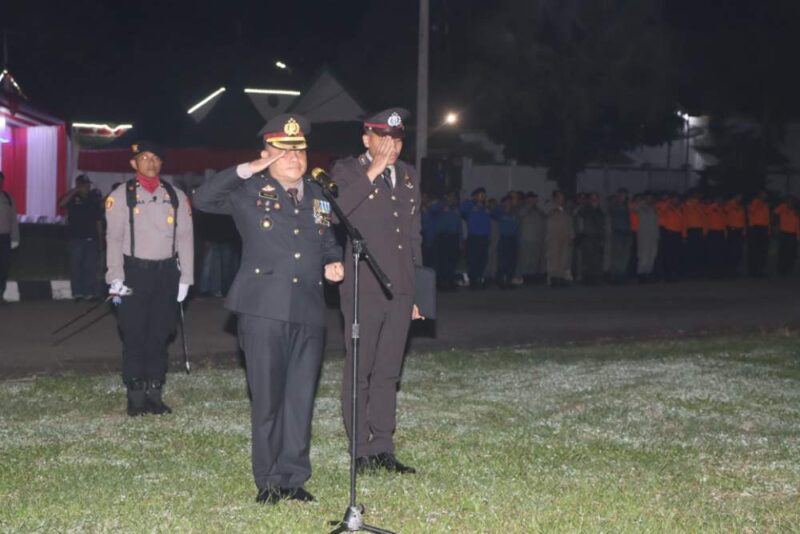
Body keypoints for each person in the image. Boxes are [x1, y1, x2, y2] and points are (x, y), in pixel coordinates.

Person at [193, 114, 344, 504]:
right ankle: (270, 480)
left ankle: (294, 477)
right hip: (262, 309)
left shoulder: (318, 196)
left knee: (300, 399)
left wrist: (333, 261)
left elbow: (327, 240)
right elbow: (203, 198)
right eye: (284, 151)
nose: (295, 158)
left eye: (300, 151)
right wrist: (248, 168)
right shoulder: (248, 191)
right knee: (268, 399)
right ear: (266, 154)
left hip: (309, 308)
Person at [330, 107, 423, 475]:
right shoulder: (347, 171)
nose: (391, 147)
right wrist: (374, 171)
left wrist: (418, 292)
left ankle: (383, 445)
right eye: (384, 139)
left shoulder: (409, 175)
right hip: (363, 285)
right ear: (366, 139)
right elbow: (336, 211)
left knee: (388, 371)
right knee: (360, 370)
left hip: (401, 288)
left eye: (397, 140)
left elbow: (413, 235)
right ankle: (360, 449)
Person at [105, 142, 194, 416]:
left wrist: (186, 277)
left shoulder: (176, 195)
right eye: (144, 158)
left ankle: (155, 394)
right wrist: (115, 276)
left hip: (166, 273)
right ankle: (135, 397)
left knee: (160, 335)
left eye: (155, 157)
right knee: (134, 335)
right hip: (134, 272)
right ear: (134, 163)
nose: (151, 162)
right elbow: (114, 238)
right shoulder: (121, 196)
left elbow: (185, 237)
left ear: (161, 162)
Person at [59, 174, 103, 300]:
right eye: (84, 184)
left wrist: (100, 238)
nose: (87, 187)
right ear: (78, 185)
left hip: (91, 238)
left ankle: (89, 292)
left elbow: (98, 220)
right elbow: (61, 203)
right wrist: (75, 191)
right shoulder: (73, 198)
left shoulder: (93, 199)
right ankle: (77, 292)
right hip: (76, 238)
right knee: (76, 266)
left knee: (90, 266)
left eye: (88, 184)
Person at [460, 187, 491, 289]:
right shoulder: (470, 206)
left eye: (484, 195)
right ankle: (473, 281)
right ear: (475, 196)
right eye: (480, 195)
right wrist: (472, 201)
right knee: (473, 260)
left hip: (484, 238)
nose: (482, 197)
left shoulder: (486, 208)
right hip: (474, 237)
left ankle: (479, 279)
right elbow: (462, 210)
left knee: (482, 260)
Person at [431, 191, 462, 290]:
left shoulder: (456, 209)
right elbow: (433, 209)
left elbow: (459, 226)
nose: (453, 199)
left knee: (452, 260)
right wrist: (443, 202)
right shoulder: (440, 206)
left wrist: (460, 240)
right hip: (443, 237)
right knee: (442, 261)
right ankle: (442, 283)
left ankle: (450, 281)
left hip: (453, 238)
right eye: (451, 197)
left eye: (454, 197)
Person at [575, 192, 605, 285]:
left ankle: (596, 279)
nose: (594, 200)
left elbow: (602, 226)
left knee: (597, 260)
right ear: (589, 200)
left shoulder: (600, 212)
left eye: (596, 198)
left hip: (597, 238)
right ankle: (586, 280)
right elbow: (579, 225)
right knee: (587, 260)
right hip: (587, 237)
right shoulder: (583, 211)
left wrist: (602, 237)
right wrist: (580, 237)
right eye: (592, 198)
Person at [546, 190, 574, 287]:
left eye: (562, 198)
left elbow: (569, 223)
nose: (561, 200)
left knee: (564, 257)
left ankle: (561, 277)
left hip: (564, 236)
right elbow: (547, 218)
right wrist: (555, 208)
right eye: (559, 197)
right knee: (554, 257)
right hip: (554, 237)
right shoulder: (550, 208)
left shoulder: (565, 210)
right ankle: (553, 277)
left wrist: (571, 235)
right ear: (555, 198)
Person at [516, 192, 546, 283]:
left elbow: (544, 219)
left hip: (537, 238)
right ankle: (524, 277)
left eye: (535, 199)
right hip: (526, 238)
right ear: (527, 199)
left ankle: (532, 277)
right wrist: (529, 206)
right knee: (526, 259)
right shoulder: (522, 208)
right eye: (532, 198)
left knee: (534, 259)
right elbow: (519, 215)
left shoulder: (538, 210)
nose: (534, 200)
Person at [491, 195, 520, 288]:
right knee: (503, 261)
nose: (509, 203)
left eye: (510, 202)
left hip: (513, 239)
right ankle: (500, 280)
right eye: (507, 202)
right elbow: (492, 213)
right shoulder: (500, 212)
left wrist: (518, 240)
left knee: (512, 261)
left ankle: (510, 280)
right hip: (504, 238)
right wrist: (501, 207)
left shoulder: (514, 213)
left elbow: (517, 228)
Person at [0, 172, 20, 303]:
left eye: (1, 181)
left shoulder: (8, 198)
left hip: (4, 238)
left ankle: (0, 294)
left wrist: (15, 238)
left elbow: (13, 219)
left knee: (3, 267)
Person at [608, 188, 632, 283]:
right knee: (617, 255)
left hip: (626, 232)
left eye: (625, 195)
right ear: (618, 195)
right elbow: (611, 212)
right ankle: (615, 275)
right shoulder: (614, 205)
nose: (624, 197)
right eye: (622, 195)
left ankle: (622, 274)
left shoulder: (627, 206)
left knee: (625, 255)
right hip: (617, 232)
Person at [634, 193, 660, 282]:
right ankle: (641, 274)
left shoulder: (654, 208)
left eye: (651, 198)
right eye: (647, 198)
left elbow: (657, 222)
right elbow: (634, 208)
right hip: (643, 234)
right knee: (643, 254)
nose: (649, 199)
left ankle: (648, 272)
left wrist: (657, 235)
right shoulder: (640, 207)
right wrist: (641, 202)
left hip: (653, 234)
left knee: (652, 254)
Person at [747, 190, 770, 277]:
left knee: (762, 251)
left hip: (763, 229)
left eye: (765, 194)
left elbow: (767, 219)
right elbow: (751, 211)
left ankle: (760, 270)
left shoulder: (765, 205)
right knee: (754, 251)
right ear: (759, 195)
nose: (765, 196)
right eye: (763, 194)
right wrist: (757, 203)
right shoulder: (754, 202)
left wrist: (768, 230)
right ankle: (753, 271)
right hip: (755, 229)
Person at [774, 196, 799, 276]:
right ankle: (781, 269)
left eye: (792, 201)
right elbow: (774, 213)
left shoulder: (796, 210)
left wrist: (798, 236)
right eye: (789, 201)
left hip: (793, 234)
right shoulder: (782, 207)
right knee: (782, 251)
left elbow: (798, 224)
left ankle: (788, 267)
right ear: (786, 201)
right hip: (783, 233)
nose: (791, 203)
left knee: (791, 252)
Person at [724, 193, 746, 276]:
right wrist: (732, 203)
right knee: (732, 250)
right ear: (735, 196)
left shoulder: (741, 207)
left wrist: (744, 230)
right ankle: (730, 270)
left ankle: (735, 269)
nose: (740, 198)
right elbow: (725, 210)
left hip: (739, 231)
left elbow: (743, 219)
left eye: (741, 197)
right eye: (739, 196)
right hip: (732, 230)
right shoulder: (729, 204)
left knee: (738, 251)